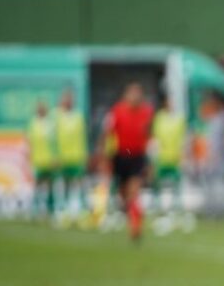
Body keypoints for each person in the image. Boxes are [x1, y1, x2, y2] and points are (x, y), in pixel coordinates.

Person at [96, 82, 154, 241]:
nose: (135, 97)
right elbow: (106, 133)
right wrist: (102, 156)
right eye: (132, 93)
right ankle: (130, 213)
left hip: (137, 155)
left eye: (138, 93)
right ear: (126, 95)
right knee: (123, 195)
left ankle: (135, 225)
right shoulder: (117, 111)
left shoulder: (146, 112)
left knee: (134, 191)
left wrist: (150, 161)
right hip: (121, 155)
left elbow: (149, 135)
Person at [150, 95, 189, 219]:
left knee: (176, 184)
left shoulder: (179, 119)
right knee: (157, 183)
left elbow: (183, 139)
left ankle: (176, 207)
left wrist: (183, 155)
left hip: (175, 157)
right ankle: (157, 206)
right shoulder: (159, 118)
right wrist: (153, 155)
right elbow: (155, 137)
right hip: (161, 157)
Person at [55, 88, 89, 218]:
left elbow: (82, 137)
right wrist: (55, 155)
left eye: (71, 100)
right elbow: (54, 138)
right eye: (66, 99)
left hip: (77, 156)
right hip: (62, 157)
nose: (69, 102)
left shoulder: (79, 117)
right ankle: (61, 209)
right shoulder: (57, 116)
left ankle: (79, 209)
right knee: (63, 183)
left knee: (79, 183)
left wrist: (84, 154)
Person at [26, 99, 58, 220]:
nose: (41, 110)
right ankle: (35, 209)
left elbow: (54, 143)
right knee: (38, 186)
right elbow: (29, 143)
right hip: (38, 161)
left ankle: (50, 210)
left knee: (50, 186)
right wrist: (29, 158)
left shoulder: (50, 124)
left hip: (49, 161)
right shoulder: (33, 124)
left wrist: (55, 158)